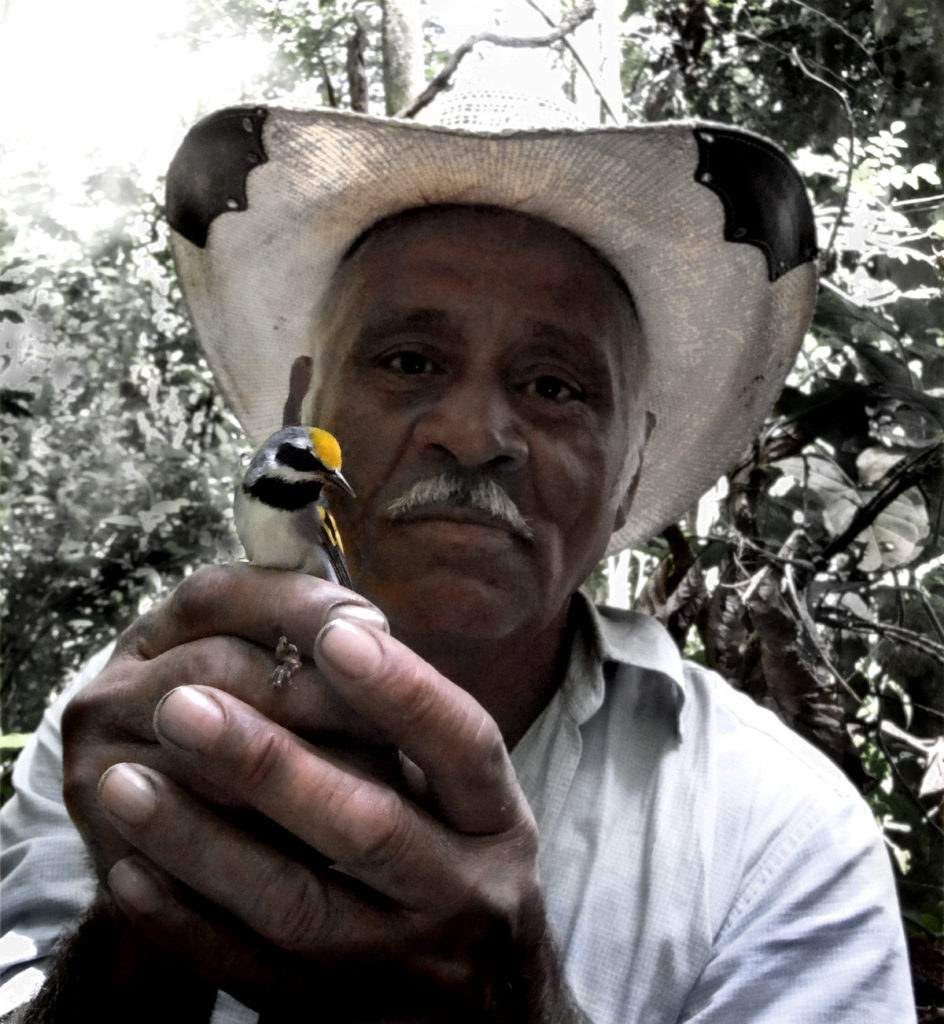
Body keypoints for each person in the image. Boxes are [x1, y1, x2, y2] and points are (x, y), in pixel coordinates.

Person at [0, 92, 914, 1022]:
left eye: (554, 386)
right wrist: (144, 926)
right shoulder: (134, 724)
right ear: (301, 414)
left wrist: (521, 1005)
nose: (475, 434)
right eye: (407, 362)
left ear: (629, 473)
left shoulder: (782, 837)